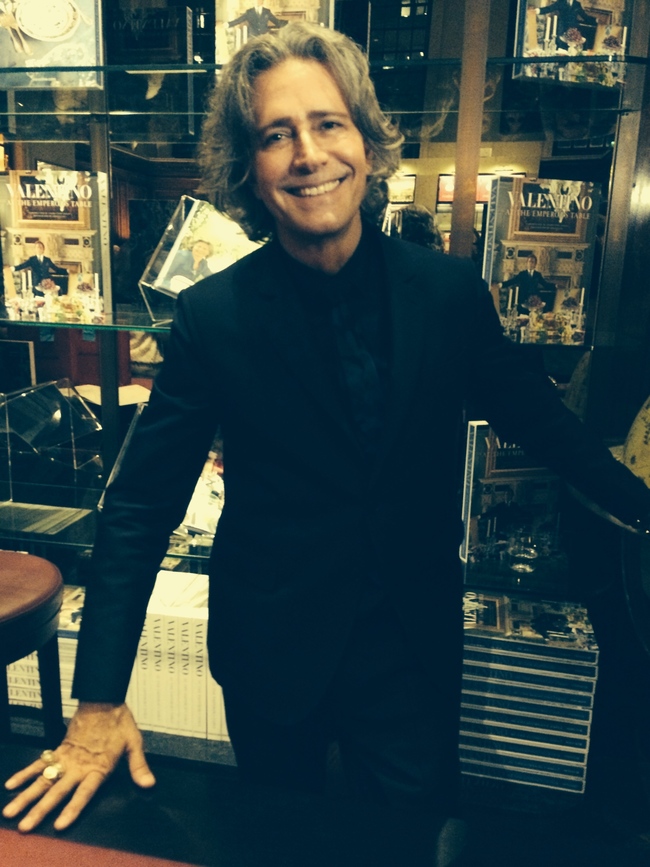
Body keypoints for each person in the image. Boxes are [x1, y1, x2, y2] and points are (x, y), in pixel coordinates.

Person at [4, 23, 650, 852]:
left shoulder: (449, 294)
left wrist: (641, 507)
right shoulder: (212, 317)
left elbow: (541, 421)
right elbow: (138, 507)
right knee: (280, 846)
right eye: (277, 135)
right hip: (272, 650)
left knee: (409, 846)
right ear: (250, 168)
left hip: (410, 649)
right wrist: (98, 700)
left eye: (328, 124)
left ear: (368, 145)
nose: (308, 154)